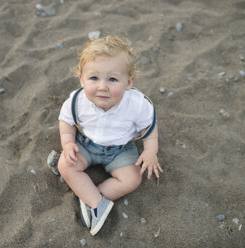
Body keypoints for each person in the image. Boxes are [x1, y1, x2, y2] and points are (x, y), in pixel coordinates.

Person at [57, 35, 163, 236]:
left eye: (112, 79)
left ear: (128, 82)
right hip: (87, 144)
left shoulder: (137, 105)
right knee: (65, 164)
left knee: (132, 179)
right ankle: (97, 204)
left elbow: (148, 129)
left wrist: (150, 151)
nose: (102, 86)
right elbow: (66, 122)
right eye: (94, 78)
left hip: (120, 150)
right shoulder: (77, 101)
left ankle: (91, 195)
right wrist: (68, 142)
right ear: (81, 78)